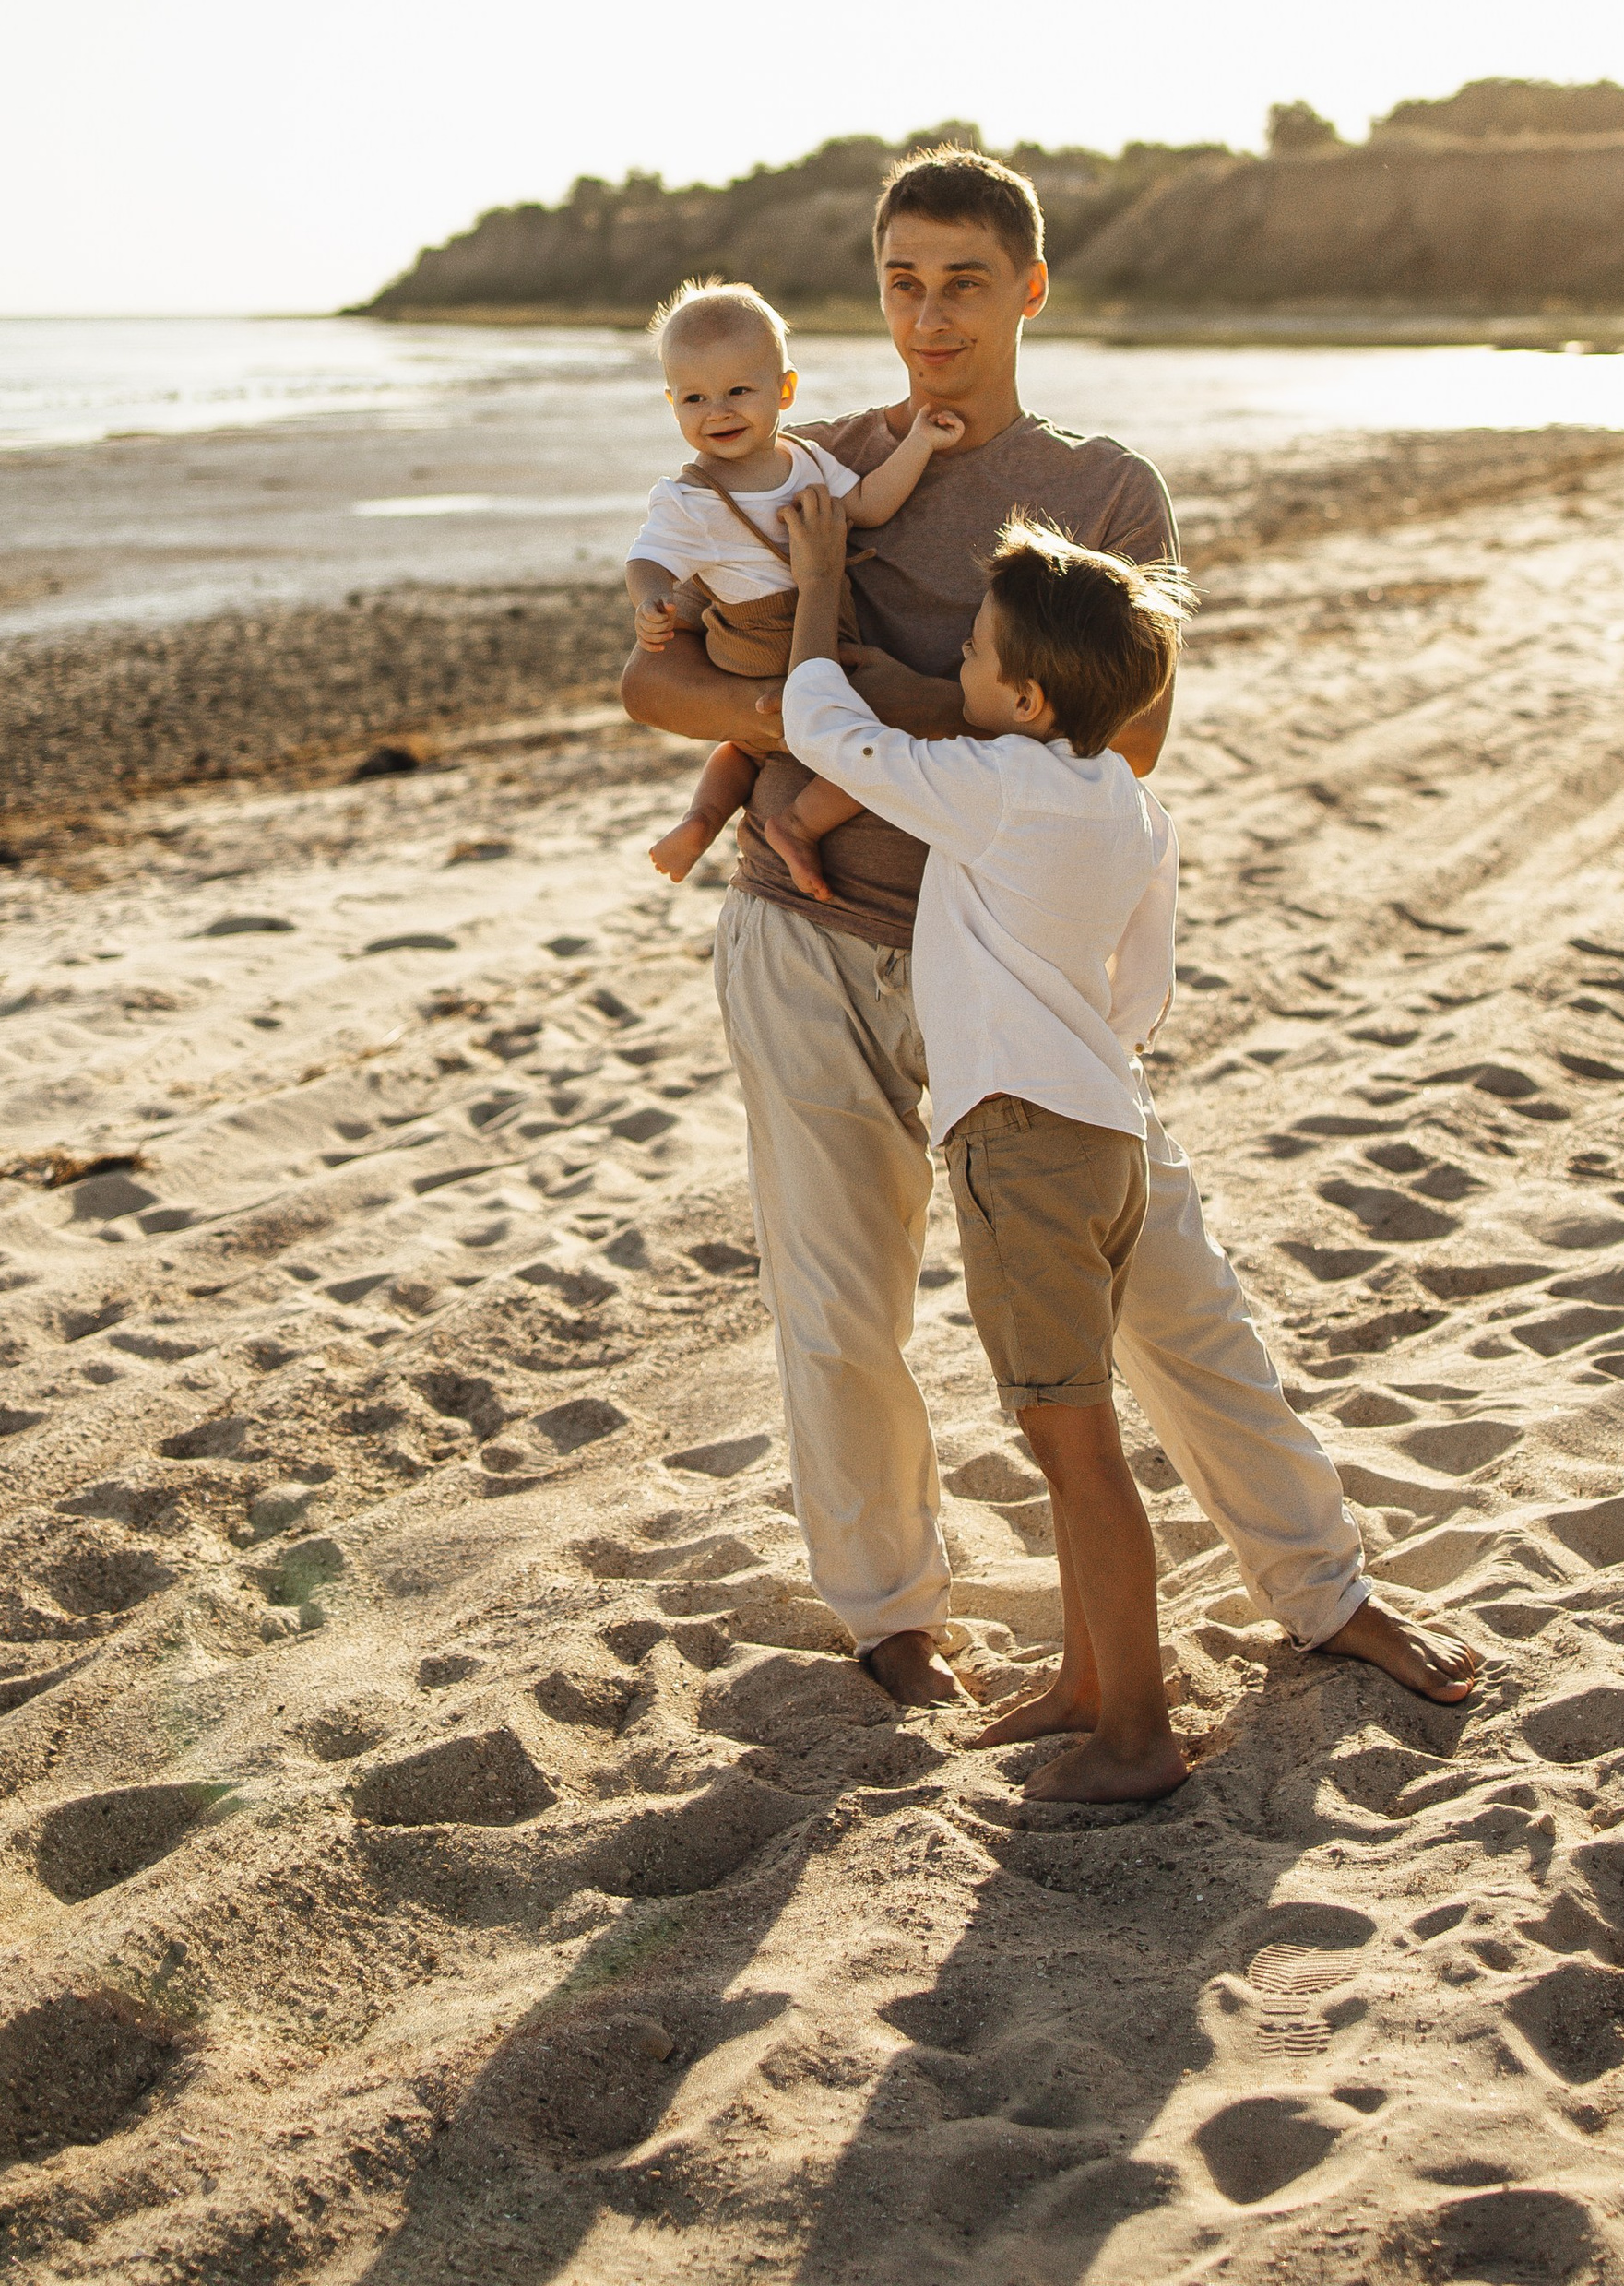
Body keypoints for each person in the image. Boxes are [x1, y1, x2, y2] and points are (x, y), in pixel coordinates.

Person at [621, 144, 1479, 1716]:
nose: (929, 316)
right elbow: (651, 685)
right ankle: (891, 1616)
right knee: (841, 1306)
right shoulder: (803, 467)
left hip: (1012, 967)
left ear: (1027, 289)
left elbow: (1133, 743)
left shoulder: (1104, 494)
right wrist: (807, 724)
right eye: (900, 281)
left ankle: (1326, 1589)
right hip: (800, 944)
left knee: (1171, 1286)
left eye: (962, 283)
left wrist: (908, 745)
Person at [781, 493, 1191, 1800]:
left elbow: (823, 729)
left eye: (970, 655)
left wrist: (816, 584)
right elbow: (1144, 990)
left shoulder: (994, 790)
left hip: (1021, 1140)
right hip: (1105, 1132)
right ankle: (1084, 1680)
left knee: (1073, 1445)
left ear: (1022, 700)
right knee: (1073, 1429)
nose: (954, 666)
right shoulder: (1128, 805)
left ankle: (1135, 1733)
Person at [623, 278, 964, 895]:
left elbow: (869, 503)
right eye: (694, 398)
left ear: (785, 389)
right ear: (671, 403)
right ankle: (797, 827)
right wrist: (649, 600)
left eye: (738, 392)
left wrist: (918, 443)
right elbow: (648, 558)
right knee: (877, 737)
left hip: (814, 631)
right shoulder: (689, 498)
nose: (717, 411)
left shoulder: (804, 459)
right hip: (761, 636)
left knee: (748, 749)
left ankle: (701, 822)